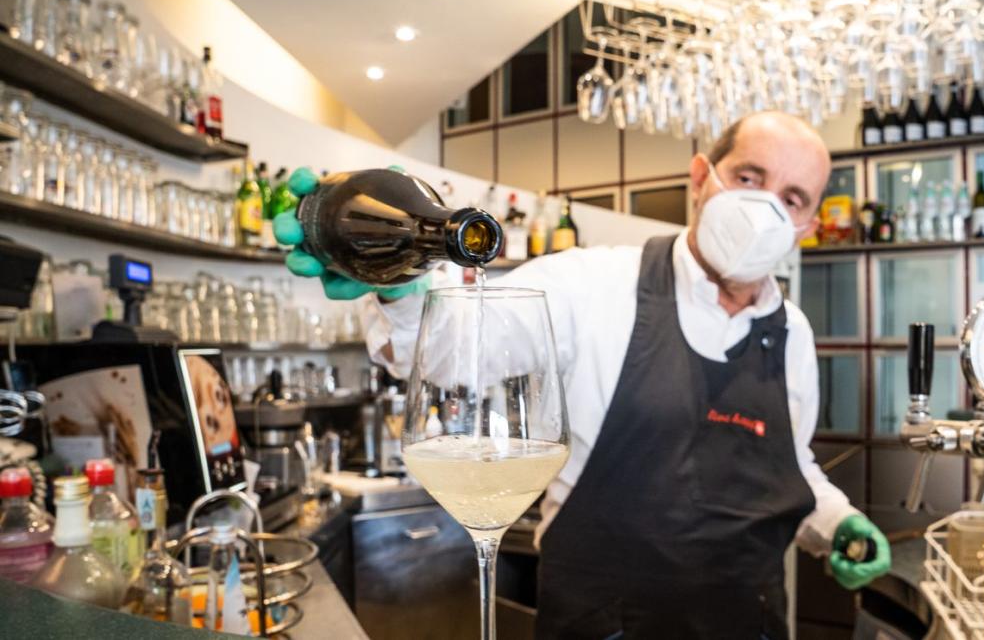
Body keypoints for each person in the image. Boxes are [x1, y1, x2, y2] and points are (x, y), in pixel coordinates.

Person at [275, 111, 891, 638]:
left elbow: (787, 464)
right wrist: (401, 287)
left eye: (791, 198)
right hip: (603, 622)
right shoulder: (589, 283)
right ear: (702, 179)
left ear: (807, 225)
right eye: (749, 178)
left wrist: (834, 522)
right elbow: (455, 355)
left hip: (747, 621)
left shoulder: (794, 333)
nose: (764, 209)